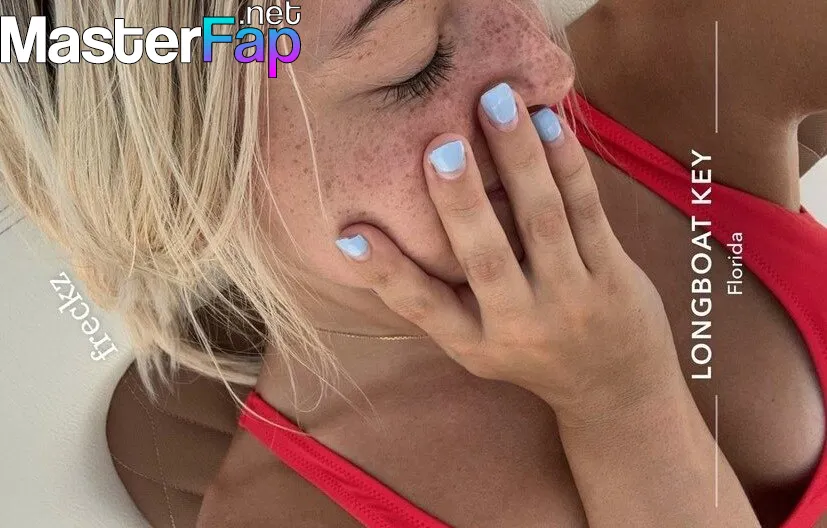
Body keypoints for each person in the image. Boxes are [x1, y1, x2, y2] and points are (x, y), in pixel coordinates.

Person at [1, 0, 825, 526]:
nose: (549, 64)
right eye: (414, 66)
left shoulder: (669, 65)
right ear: (188, 190)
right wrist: (620, 397)